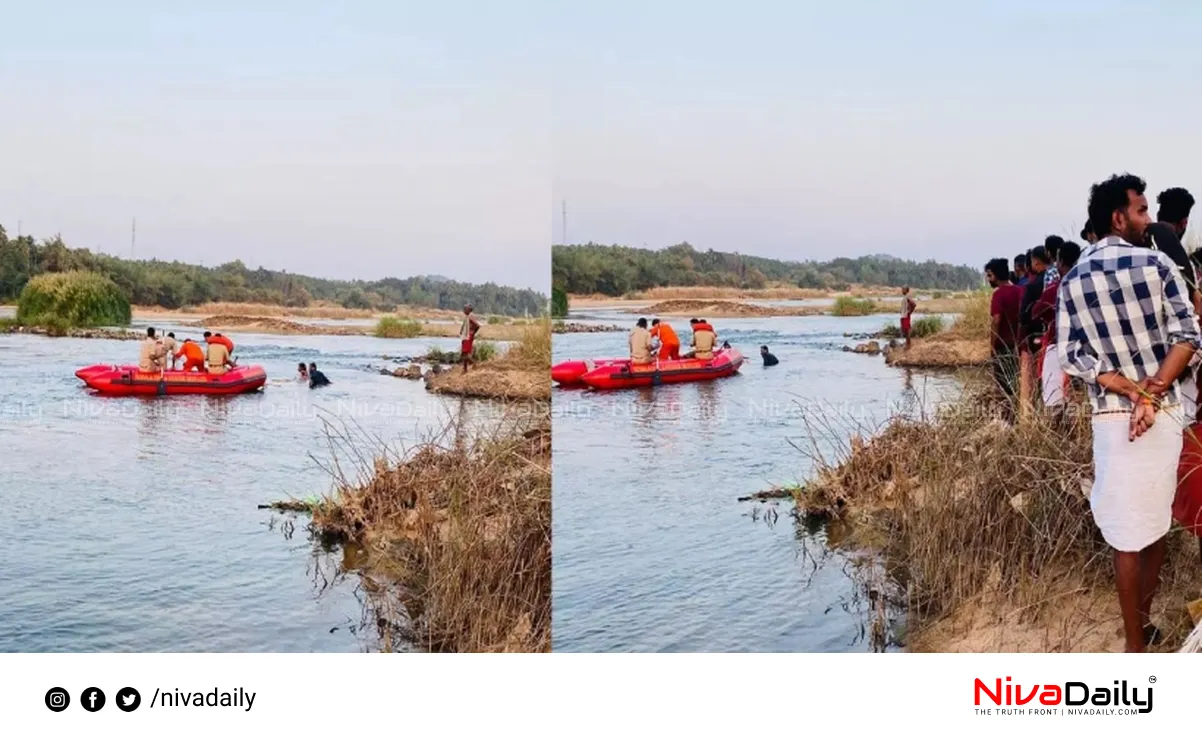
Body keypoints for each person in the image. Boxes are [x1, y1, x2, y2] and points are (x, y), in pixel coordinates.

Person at [1058, 173, 1201, 652]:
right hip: (1160, 418)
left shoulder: (1073, 278)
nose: (1147, 218)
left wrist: (1126, 388)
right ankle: (1143, 623)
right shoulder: (1157, 264)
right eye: (1141, 210)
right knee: (1156, 523)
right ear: (1119, 217)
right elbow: (1190, 337)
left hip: (1111, 420)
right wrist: (1154, 391)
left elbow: (1071, 355)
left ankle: (1134, 646)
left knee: (1125, 537)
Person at [1031, 241, 1082, 410]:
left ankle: (1056, 430)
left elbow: (1035, 312)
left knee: (1054, 398)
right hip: (1086, 347)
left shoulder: (1056, 288)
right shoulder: (1085, 284)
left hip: (1057, 343)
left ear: (1059, 262)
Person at [986, 258, 1023, 415]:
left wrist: (992, 345)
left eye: (989, 275)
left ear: (995, 275)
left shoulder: (999, 294)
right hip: (1019, 345)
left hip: (1003, 345)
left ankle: (1006, 417)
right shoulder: (1021, 290)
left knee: (1002, 385)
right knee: (1016, 382)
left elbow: (996, 319)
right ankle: (1017, 413)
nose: (988, 279)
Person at [459, 304, 480, 374]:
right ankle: (465, 369)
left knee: (465, 353)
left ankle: (474, 363)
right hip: (465, 336)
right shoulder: (467, 316)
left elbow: (477, 325)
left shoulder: (471, 316)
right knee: (463, 353)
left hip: (468, 336)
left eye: (465, 309)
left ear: (469, 309)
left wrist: (473, 332)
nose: (464, 310)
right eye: (464, 309)